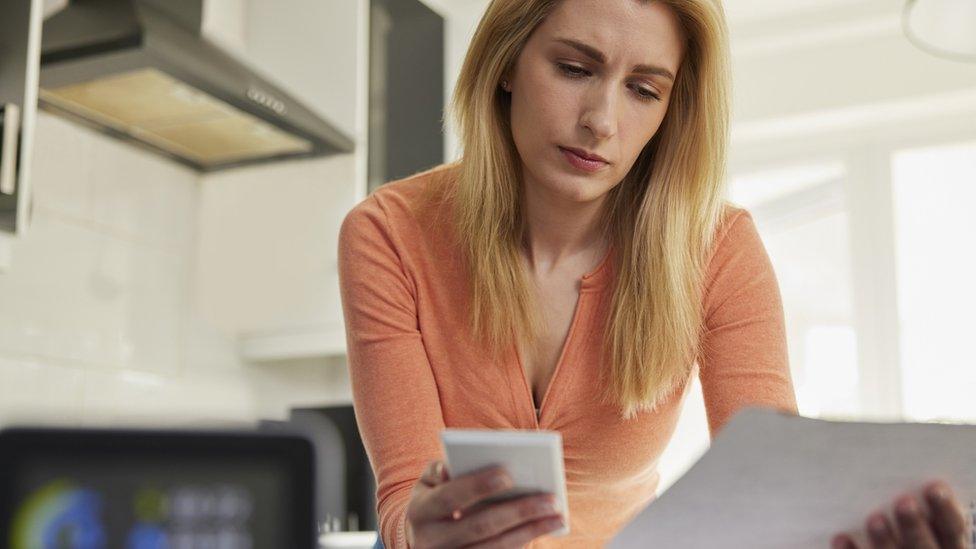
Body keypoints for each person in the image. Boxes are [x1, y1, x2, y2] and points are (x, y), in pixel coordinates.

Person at [338, 0, 970, 547]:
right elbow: (402, 502)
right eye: (574, 68)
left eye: (644, 89)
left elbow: (772, 491)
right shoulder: (389, 234)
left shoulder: (717, 248)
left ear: (673, 107)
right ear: (505, 63)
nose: (602, 121)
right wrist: (421, 534)